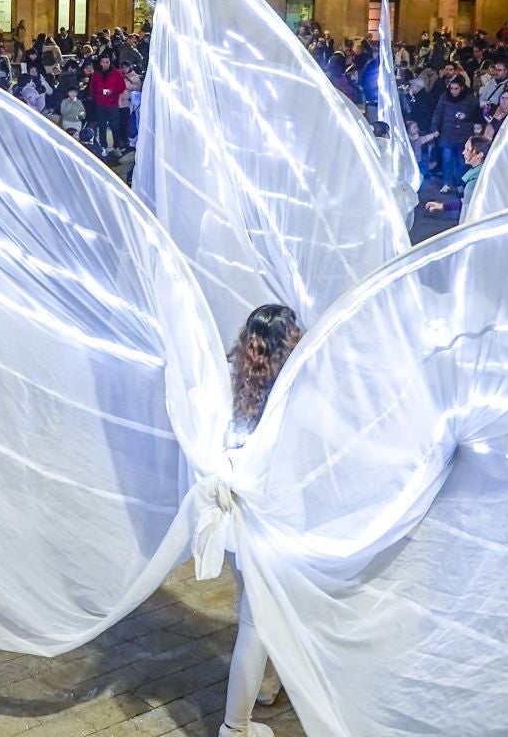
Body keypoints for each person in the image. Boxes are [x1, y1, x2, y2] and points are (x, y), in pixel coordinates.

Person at [222, 304, 302, 737]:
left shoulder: (235, 388)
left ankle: (267, 686)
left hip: (238, 525)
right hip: (271, 528)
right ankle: (235, 728)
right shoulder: (291, 398)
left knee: (251, 615)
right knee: (255, 625)